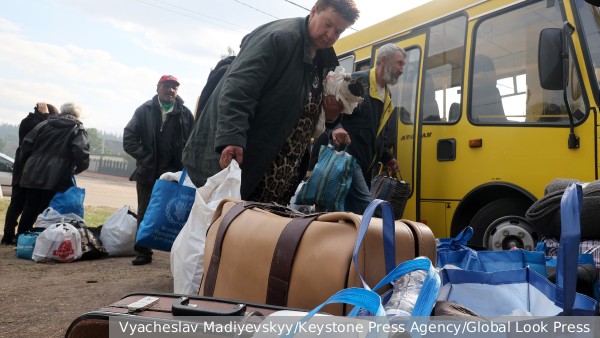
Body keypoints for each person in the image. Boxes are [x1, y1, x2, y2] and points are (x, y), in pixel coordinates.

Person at [183, 0, 360, 205]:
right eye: (328, 24)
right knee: (219, 231)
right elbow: (239, 89)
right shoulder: (279, 38)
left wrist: (330, 117)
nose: (331, 35)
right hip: (247, 166)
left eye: (338, 31)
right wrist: (231, 138)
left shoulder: (323, 61)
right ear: (313, 11)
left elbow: (301, 110)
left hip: (280, 177)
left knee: (256, 235)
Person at [123, 75, 194, 266]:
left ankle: (177, 254)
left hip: (174, 174)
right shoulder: (144, 110)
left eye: (174, 87)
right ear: (158, 88)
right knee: (145, 212)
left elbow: (194, 141)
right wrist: (146, 157)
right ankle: (143, 252)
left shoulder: (185, 114)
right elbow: (129, 138)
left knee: (177, 214)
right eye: (167, 86)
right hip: (149, 171)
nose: (170, 90)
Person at [329, 43, 406, 214]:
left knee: (351, 215)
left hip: (366, 165)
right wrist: (336, 128)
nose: (402, 70)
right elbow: (329, 112)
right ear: (384, 61)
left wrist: (387, 157)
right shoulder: (357, 81)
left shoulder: (387, 94)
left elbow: (376, 132)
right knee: (369, 210)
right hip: (347, 159)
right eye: (399, 63)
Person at [17, 102, 90, 236]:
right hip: (58, 174)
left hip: (34, 171)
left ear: (62, 111)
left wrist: (27, 165)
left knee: (30, 206)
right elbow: (81, 152)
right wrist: (77, 169)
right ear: (77, 115)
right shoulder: (77, 128)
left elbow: (26, 145)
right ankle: (44, 239)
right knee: (51, 209)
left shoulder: (44, 124)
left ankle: (21, 238)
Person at [1, 102, 59, 245]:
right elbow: (45, 129)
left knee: (19, 205)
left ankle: (11, 235)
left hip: (25, 170)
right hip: (26, 170)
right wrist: (46, 114)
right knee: (21, 205)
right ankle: (12, 235)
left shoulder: (30, 121)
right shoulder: (31, 123)